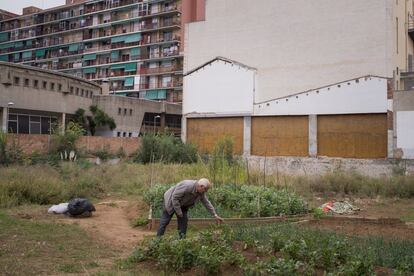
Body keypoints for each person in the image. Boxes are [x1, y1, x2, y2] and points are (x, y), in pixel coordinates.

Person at [156, 178, 224, 238]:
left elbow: (206, 203)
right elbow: (175, 198)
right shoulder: (187, 186)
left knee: (183, 222)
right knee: (165, 221)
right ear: (201, 186)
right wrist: (179, 212)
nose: (205, 191)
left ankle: (181, 241)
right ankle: (158, 240)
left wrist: (215, 215)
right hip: (170, 201)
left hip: (183, 204)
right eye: (205, 189)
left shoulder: (201, 192)